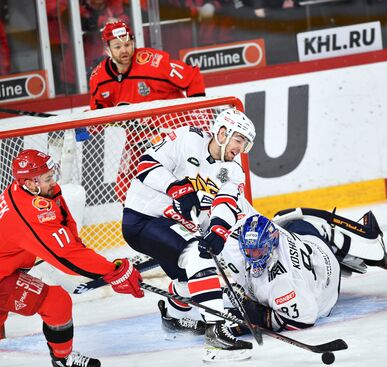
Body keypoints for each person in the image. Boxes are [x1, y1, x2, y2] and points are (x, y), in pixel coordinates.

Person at [121, 108, 255, 362]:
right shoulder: (187, 138)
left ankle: (173, 315)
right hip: (144, 218)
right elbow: (145, 165)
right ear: (223, 132)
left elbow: (227, 203)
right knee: (197, 256)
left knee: (189, 276)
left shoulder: (233, 170)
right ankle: (216, 337)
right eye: (240, 140)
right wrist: (177, 188)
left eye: (246, 144)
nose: (242, 148)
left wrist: (219, 230)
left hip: (178, 226)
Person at [0, 149, 144, 367]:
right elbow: (67, 256)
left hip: (7, 271)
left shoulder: (38, 191)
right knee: (56, 301)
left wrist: (94, 263)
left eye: (51, 175)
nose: (53, 182)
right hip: (3, 277)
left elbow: (67, 234)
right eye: (48, 178)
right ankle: (63, 359)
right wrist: (112, 271)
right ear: (30, 183)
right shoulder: (29, 212)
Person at [219, 207, 387, 333]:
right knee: (290, 218)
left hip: (327, 286)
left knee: (302, 222)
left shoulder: (283, 281)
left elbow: (303, 319)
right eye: (249, 250)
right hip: (310, 247)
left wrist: (261, 317)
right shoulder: (273, 234)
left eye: (259, 250)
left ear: (271, 245)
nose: (254, 256)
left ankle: (367, 245)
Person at [88, 20, 206, 202]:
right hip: (138, 138)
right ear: (107, 49)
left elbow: (192, 77)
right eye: (118, 46)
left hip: (171, 134)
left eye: (127, 44)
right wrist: (88, 126)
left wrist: (197, 119)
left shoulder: (153, 63)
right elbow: (100, 113)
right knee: (124, 188)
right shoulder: (99, 78)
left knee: (180, 182)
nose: (124, 50)